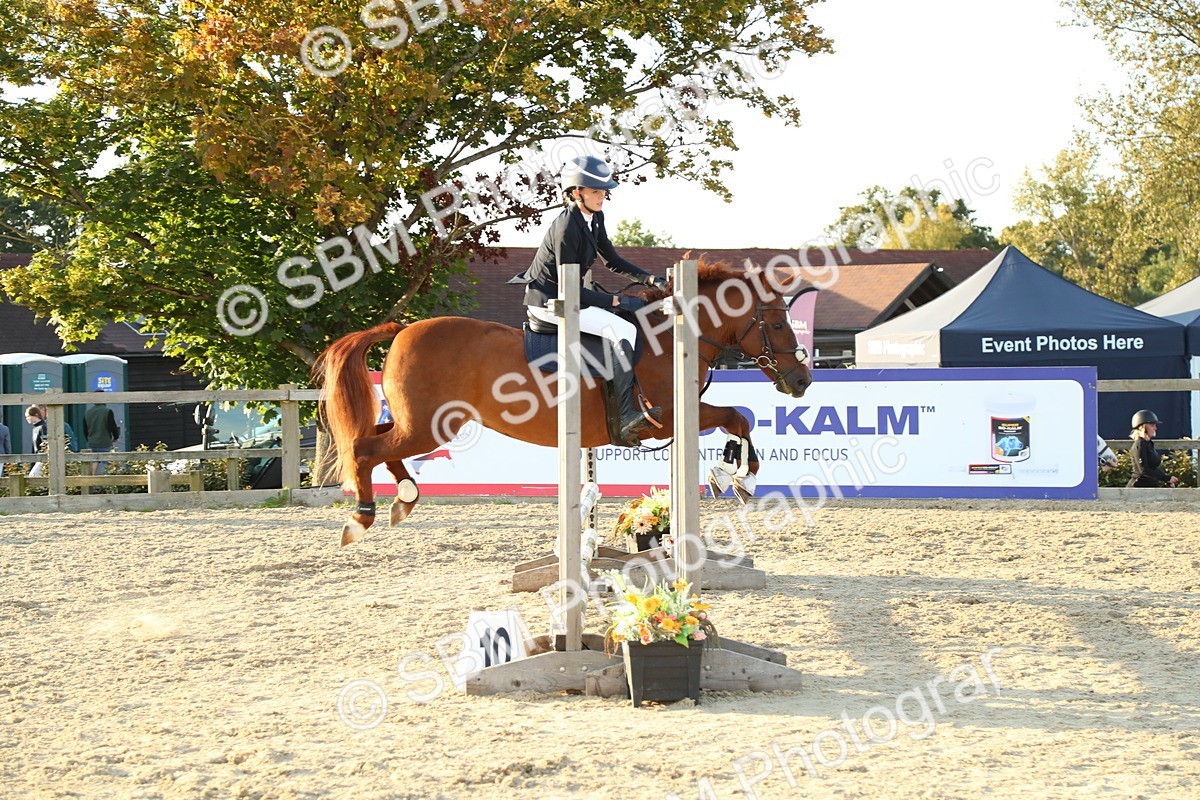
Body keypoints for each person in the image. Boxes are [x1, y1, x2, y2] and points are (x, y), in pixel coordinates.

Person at [509, 155, 667, 447]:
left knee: (624, 322)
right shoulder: (567, 226)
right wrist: (618, 301)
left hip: (569, 296)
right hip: (549, 303)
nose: (602, 196)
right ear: (576, 192)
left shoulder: (595, 218)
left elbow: (613, 260)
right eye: (596, 190)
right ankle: (626, 415)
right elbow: (570, 291)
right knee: (624, 330)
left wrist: (650, 280)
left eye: (604, 191)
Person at [1127, 409, 1178, 488]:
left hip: (1149, 484)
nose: (1155, 428)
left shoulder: (1148, 444)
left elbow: (1153, 468)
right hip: (1139, 486)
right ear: (1143, 427)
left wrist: (1167, 478)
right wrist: (1166, 478)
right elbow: (1144, 470)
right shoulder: (1140, 444)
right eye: (1152, 425)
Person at [83, 401, 121, 476]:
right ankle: (109, 483)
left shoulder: (87, 412)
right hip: (105, 442)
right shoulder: (107, 411)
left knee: (94, 462)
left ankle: (93, 481)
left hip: (92, 443)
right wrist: (116, 437)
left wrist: (89, 439)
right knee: (109, 463)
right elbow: (112, 426)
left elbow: (85, 429)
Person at [25, 405, 47, 478]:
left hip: (42, 459)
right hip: (37, 458)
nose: (27, 418)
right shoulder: (35, 429)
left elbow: (45, 444)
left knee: (32, 477)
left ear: (36, 415)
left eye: (28, 416)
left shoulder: (43, 427)